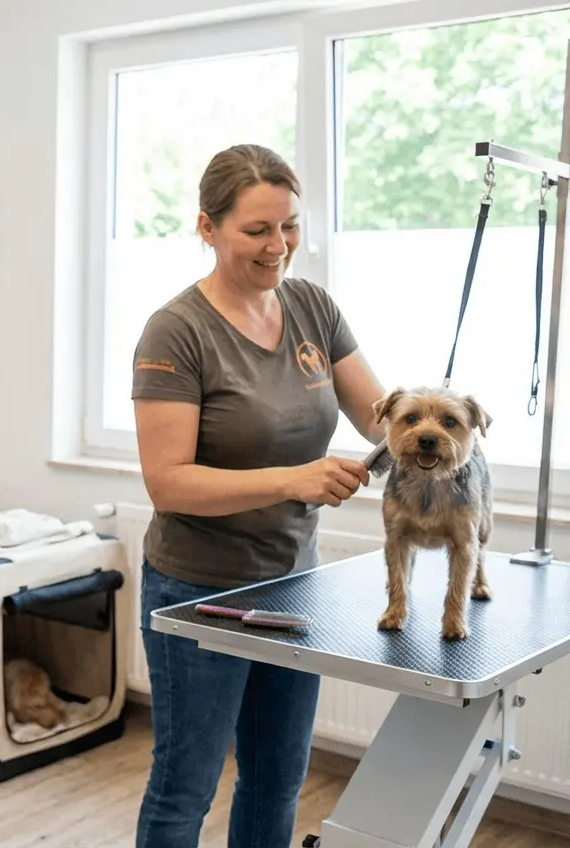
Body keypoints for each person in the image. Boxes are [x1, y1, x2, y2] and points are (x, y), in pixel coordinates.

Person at [131, 143, 387, 848]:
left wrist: (429, 416)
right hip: (200, 591)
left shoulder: (311, 307)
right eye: (257, 230)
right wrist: (294, 479)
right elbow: (169, 481)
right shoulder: (177, 331)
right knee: (186, 783)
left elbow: (376, 414)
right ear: (207, 228)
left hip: (293, 586)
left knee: (278, 776)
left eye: (291, 226)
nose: (280, 246)